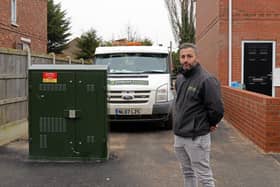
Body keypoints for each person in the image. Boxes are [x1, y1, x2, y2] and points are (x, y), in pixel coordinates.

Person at [173, 43, 224, 187]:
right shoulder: (180, 79)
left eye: (189, 56)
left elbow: (217, 109)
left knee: (204, 177)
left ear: (196, 57)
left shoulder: (207, 80)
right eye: (183, 57)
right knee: (188, 173)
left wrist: (210, 123)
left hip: (197, 137)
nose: (186, 60)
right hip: (179, 136)